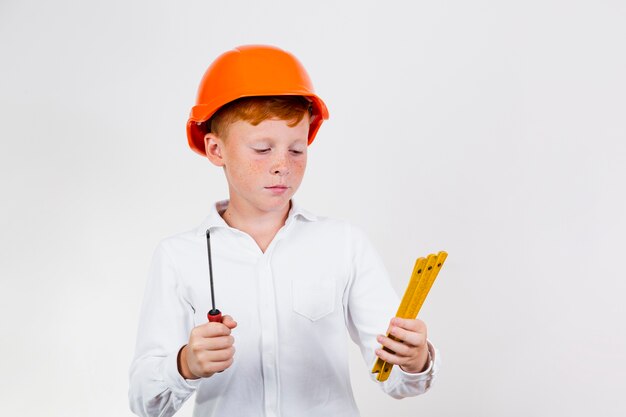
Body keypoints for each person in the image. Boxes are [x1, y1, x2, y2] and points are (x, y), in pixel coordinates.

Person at [128, 44, 440, 417]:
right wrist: (184, 365)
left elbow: (398, 380)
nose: (282, 165)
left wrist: (414, 358)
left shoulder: (344, 245)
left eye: (297, 150)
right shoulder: (179, 257)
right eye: (262, 148)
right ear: (215, 149)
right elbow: (145, 403)